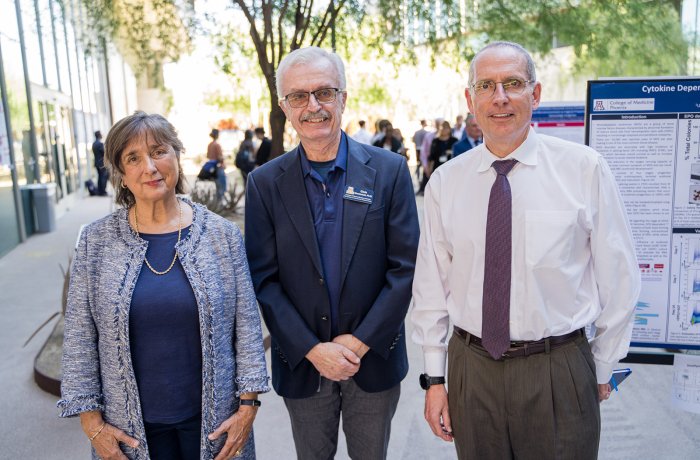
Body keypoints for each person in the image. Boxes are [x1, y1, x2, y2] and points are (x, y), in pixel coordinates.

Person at [411, 41, 641, 460]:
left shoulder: (584, 169)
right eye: (487, 85)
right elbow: (430, 290)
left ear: (535, 94)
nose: (500, 98)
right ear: (471, 99)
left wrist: (603, 364)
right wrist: (435, 378)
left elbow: (620, 277)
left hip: (557, 368)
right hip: (472, 368)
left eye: (513, 84)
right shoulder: (446, 182)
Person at [59, 112, 270, 460]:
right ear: (121, 176)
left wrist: (248, 408)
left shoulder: (222, 236)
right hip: (128, 433)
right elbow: (80, 339)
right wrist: (92, 425)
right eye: (133, 158)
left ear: (177, 155)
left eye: (159, 151)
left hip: (216, 424)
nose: (150, 167)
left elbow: (246, 329)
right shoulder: (96, 243)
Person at [245, 46, 419, 460]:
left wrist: (357, 344)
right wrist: (313, 349)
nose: (313, 106)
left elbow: (404, 270)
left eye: (324, 92)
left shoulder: (390, 171)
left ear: (343, 96)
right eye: (299, 96)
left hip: (372, 361)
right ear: (284, 106)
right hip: (304, 365)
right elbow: (264, 281)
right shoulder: (265, 184)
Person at [207, 128, 227, 200]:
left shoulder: (210, 145)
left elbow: (208, 156)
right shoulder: (217, 145)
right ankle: (220, 204)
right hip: (218, 167)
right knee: (222, 187)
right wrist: (223, 160)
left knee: (217, 185)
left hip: (212, 167)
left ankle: (217, 203)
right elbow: (220, 157)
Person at [412, 120, 428, 186]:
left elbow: (413, 140)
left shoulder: (417, 132)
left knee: (419, 164)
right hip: (422, 150)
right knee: (422, 164)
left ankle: (418, 177)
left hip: (418, 149)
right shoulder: (426, 132)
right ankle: (419, 177)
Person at [92, 131, 109, 196]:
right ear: (99, 135)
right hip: (101, 164)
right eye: (101, 134)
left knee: (99, 177)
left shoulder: (94, 144)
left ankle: (100, 191)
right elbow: (104, 153)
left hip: (96, 163)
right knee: (103, 177)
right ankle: (103, 192)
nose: (102, 135)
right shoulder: (100, 144)